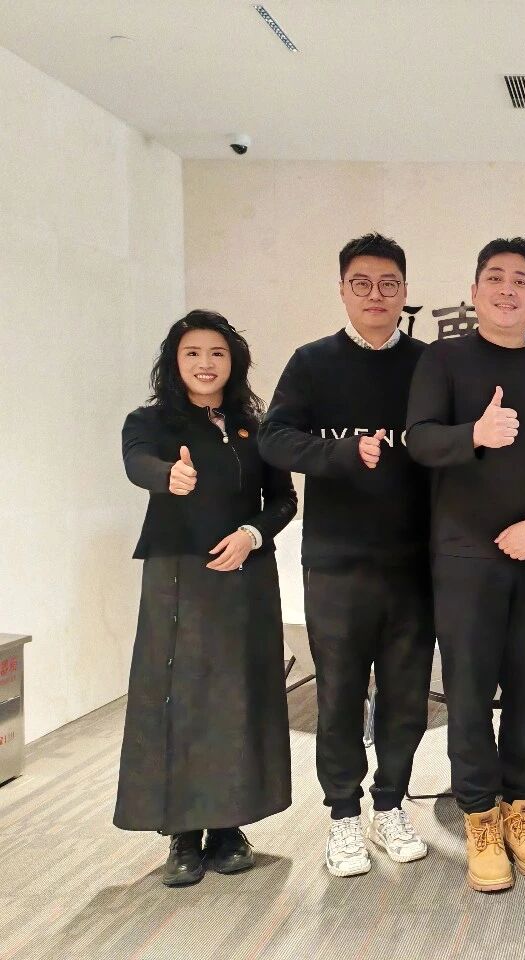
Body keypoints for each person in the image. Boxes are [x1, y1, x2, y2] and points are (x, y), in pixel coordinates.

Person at [405, 237, 525, 893]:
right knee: (469, 689)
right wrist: (474, 436)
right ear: (474, 292)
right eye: (495, 277)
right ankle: (480, 819)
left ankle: (522, 812)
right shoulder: (443, 358)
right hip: (464, 554)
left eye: (521, 281)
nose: (507, 289)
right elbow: (419, 439)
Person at [259, 233, 433, 878]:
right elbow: (275, 439)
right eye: (361, 283)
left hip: (415, 561)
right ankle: (342, 816)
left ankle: (391, 804)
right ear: (341, 290)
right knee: (338, 694)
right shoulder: (312, 362)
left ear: (406, 291)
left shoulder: (428, 363)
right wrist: (340, 453)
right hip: (336, 561)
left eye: (389, 283)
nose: (376, 295)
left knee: (407, 695)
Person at [116, 310, 296, 887]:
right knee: (181, 697)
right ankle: (183, 834)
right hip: (179, 575)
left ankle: (228, 828)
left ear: (233, 362)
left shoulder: (254, 426)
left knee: (238, 695)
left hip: (245, 574)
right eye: (192, 352)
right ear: (174, 361)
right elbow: (137, 462)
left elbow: (283, 501)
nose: (205, 363)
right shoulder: (150, 421)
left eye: (216, 353)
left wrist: (252, 535)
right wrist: (168, 476)